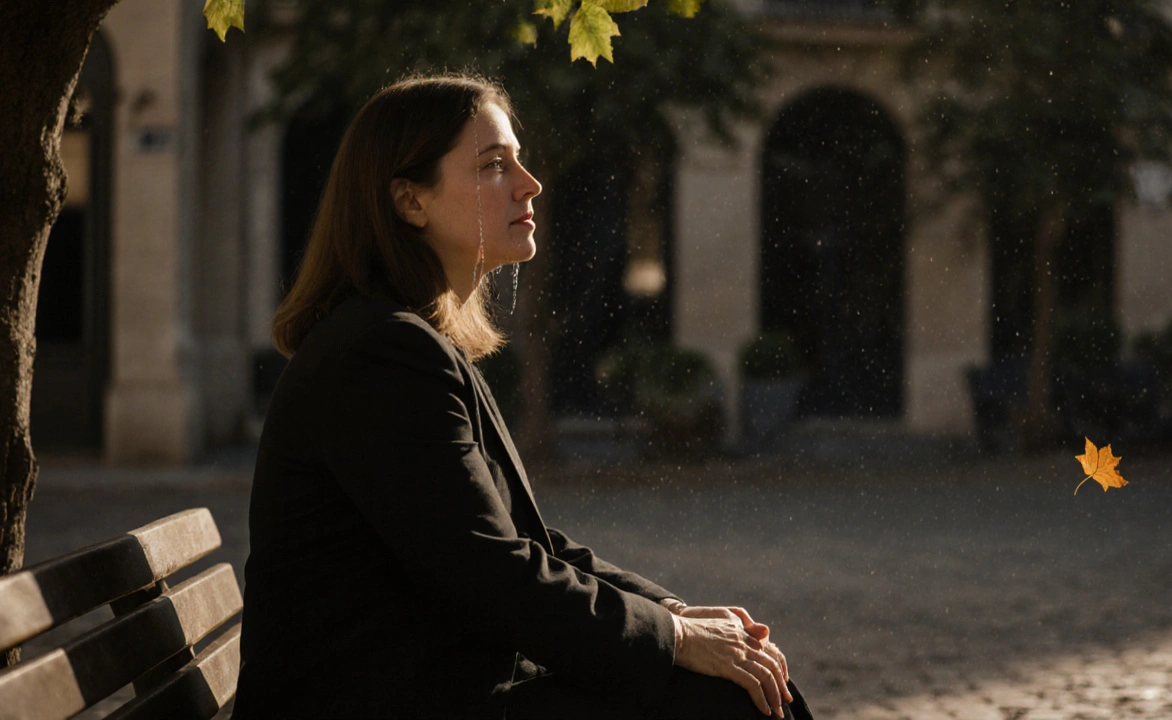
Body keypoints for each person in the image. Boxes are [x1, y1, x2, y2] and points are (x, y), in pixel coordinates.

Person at [232, 73, 813, 720]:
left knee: (746, 686)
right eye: (493, 165)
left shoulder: (402, 340)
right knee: (740, 701)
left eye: (518, 159)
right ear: (410, 201)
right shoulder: (381, 353)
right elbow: (491, 572)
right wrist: (674, 639)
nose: (529, 183)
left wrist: (673, 615)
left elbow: (525, 544)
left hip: (428, 691)